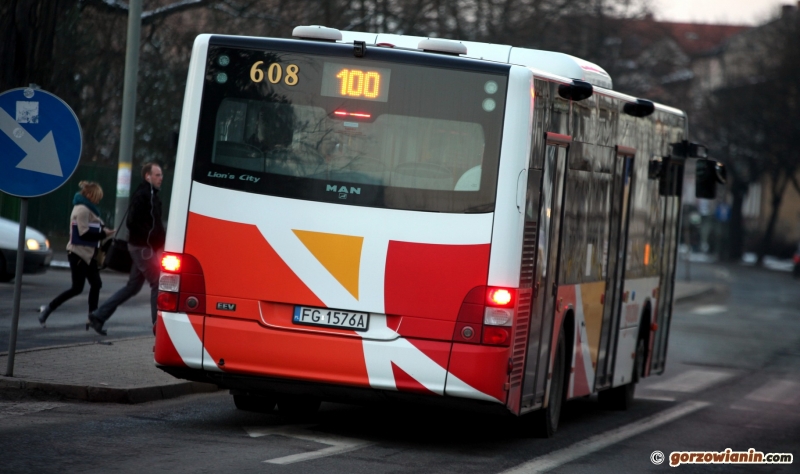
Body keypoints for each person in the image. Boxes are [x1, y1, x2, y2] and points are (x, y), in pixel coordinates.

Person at [88, 162, 165, 335]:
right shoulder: (143, 195)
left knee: (133, 287)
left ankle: (98, 316)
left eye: (161, 175)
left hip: (143, 246)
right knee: (157, 283)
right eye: (157, 175)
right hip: (142, 248)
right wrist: (152, 238)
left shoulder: (151, 195)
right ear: (148, 176)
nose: (161, 178)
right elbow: (133, 222)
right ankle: (158, 328)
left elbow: (155, 224)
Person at [38, 181, 115, 327]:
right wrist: (103, 234)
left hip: (87, 255)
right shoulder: (82, 210)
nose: (99, 199)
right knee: (77, 288)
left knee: (96, 284)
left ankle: (93, 316)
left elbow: (93, 228)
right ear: (90, 195)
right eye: (97, 196)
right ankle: (48, 309)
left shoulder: (89, 209)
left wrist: (104, 232)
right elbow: (83, 233)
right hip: (78, 254)